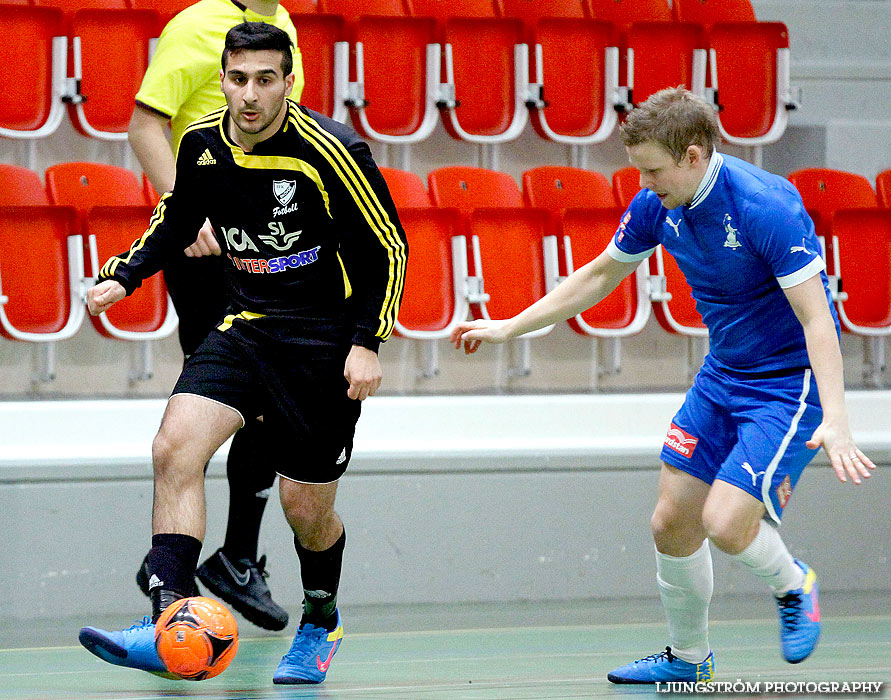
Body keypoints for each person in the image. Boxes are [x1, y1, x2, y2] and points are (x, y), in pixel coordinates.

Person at [451, 87, 876, 684]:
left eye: (653, 170)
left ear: (695, 155)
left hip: (787, 385)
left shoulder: (765, 206)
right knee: (670, 523)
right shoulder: (659, 201)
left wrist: (836, 417)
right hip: (722, 374)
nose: (644, 184)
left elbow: (816, 318)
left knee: (726, 525)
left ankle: (792, 584)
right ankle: (688, 658)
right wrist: (510, 326)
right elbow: (600, 274)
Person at [79, 22, 407, 685]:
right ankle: (169, 615)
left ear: (288, 81)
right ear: (222, 79)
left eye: (265, 79)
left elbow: (387, 248)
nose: (249, 94)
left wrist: (367, 342)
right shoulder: (201, 143)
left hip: (320, 339)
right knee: (175, 447)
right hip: (244, 324)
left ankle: (320, 618)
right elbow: (177, 217)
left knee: (305, 509)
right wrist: (126, 272)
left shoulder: (331, 149)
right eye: (238, 79)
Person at [128, 0, 305, 632]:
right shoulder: (197, 23)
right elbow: (147, 123)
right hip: (205, 248)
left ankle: (231, 555)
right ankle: (179, 578)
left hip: (260, 245)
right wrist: (187, 209)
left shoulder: (280, 29)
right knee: (223, 397)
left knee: (269, 398)